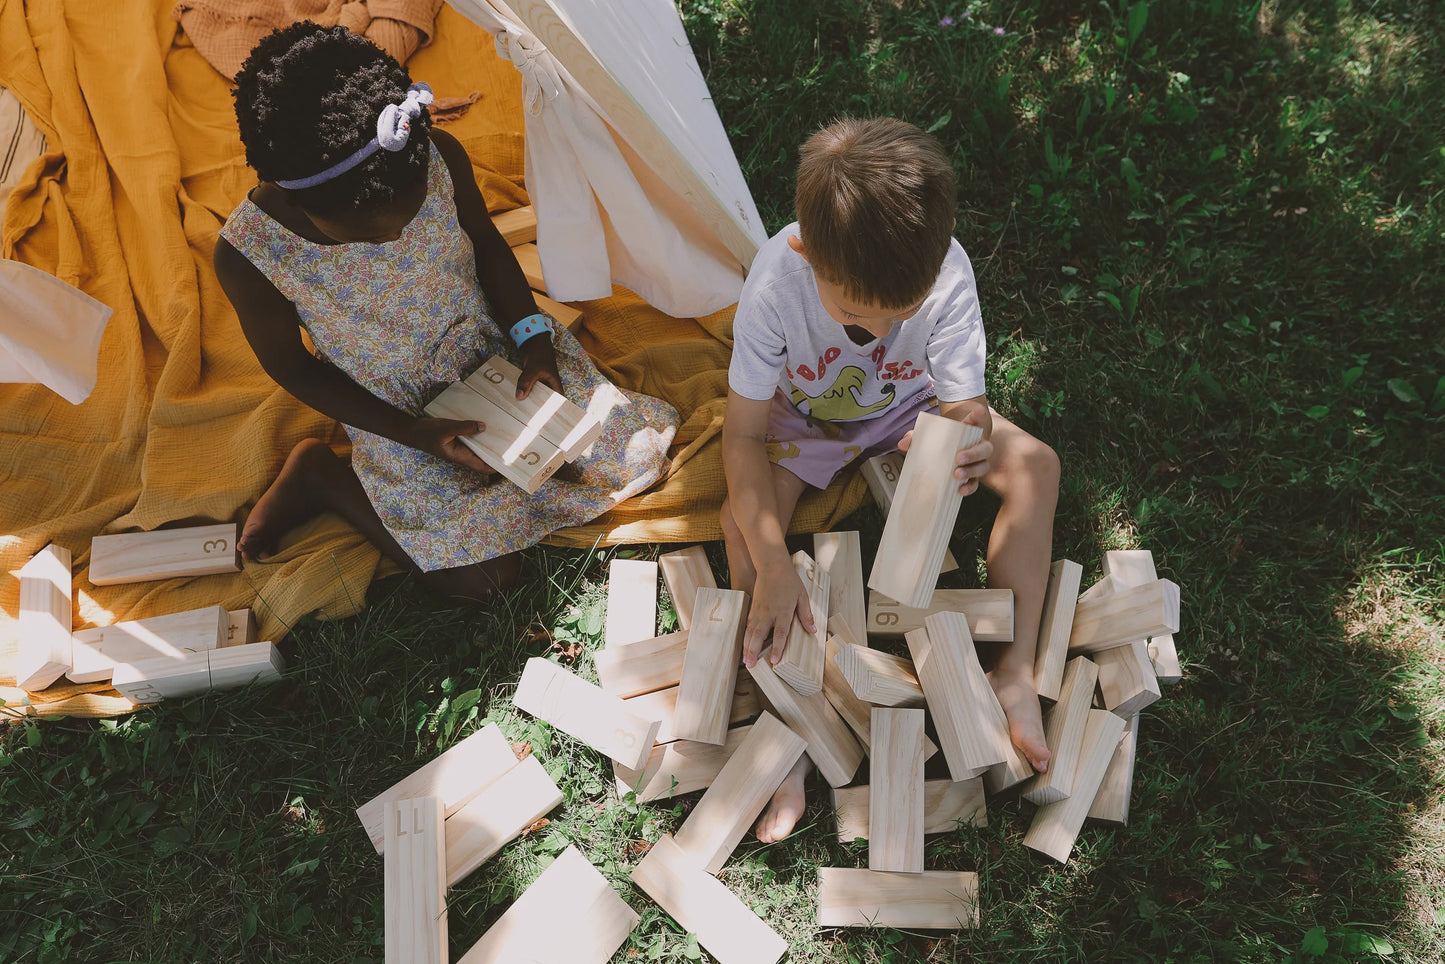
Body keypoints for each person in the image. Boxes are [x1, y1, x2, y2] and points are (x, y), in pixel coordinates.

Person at [215, 23, 677, 601]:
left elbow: (485, 243)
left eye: (411, 214)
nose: (402, 234)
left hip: (491, 357)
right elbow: (291, 367)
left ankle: (492, 425)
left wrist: (532, 338)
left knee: (632, 457)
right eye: (374, 235)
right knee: (480, 581)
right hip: (394, 412)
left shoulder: (436, 156)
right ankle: (324, 477)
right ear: (294, 199)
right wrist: (413, 433)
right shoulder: (250, 254)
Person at [719, 117, 1061, 842]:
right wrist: (776, 565)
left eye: (896, 318)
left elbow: (966, 403)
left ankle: (1014, 670)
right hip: (798, 420)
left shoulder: (945, 269)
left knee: (1036, 466)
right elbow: (743, 435)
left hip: (906, 411)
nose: (876, 336)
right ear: (805, 253)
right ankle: (789, 725)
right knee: (742, 531)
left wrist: (966, 438)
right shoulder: (776, 280)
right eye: (853, 316)